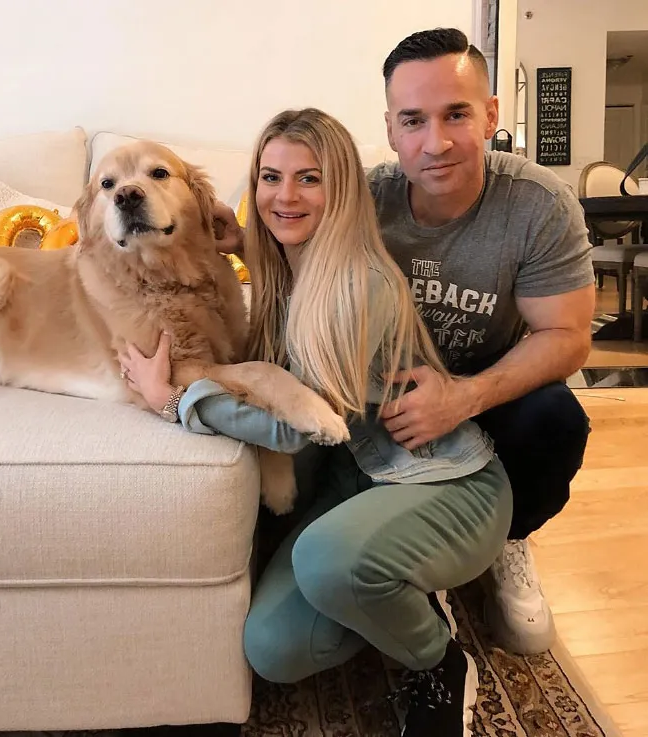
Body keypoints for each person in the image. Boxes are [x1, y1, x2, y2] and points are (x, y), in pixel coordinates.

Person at [120, 107, 514, 736]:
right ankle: (392, 581)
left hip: (441, 482)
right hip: (354, 482)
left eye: (309, 178)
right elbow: (279, 296)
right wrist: (239, 242)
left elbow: (299, 427)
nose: (285, 196)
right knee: (273, 649)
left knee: (328, 561)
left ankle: (440, 661)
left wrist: (173, 399)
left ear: (343, 188)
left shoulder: (359, 284)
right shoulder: (285, 265)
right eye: (270, 177)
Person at [212, 27, 596, 657]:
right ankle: (398, 565)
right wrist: (244, 241)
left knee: (556, 415)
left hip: (478, 394)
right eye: (414, 120)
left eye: (456, 115)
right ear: (390, 128)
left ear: (491, 116)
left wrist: (463, 397)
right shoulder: (364, 195)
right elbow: (302, 248)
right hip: (375, 417)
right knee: (277, 641)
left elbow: (569, 336)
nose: (435, 142)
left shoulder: (537, 205)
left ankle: (505, 542)